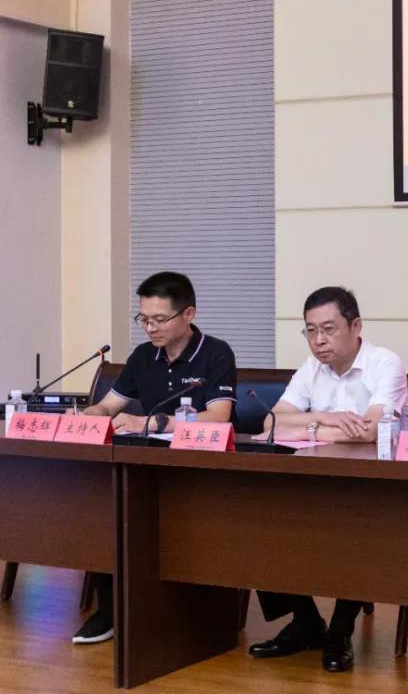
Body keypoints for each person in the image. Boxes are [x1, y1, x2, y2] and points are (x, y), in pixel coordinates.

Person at [247, 286, 408, 673]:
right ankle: (306, 621)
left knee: (353, 525)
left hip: (380, 487)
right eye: (310, 331)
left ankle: (340, 629)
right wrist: (325, 418)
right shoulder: (311, 369)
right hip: (317, 481)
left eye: (328, 329)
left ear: (356, 326)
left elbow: (371, 431)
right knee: (258, 516)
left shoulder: (384, 363)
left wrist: (306, 427)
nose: (318, 340)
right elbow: (270, 423)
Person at [76, 271, 237, 645]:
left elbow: (219, 417)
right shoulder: (143, 356)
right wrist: (86, 416)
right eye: (144, 319)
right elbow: (108, 406)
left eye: (160, 319)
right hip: (146, 468)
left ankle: (179, 610)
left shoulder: (215, 353)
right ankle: (110, 610)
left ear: (188, 314)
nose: (150, 328)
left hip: (201, 471)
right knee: (101, 508)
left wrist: (151, 421)